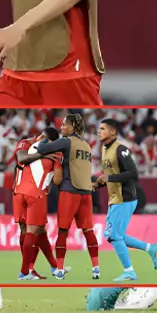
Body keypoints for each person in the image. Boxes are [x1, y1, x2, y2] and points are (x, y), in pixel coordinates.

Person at [20, 113, 100, 280]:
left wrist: (44, 138)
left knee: (63, 231)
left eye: (64, 125)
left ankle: (60, 269)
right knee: (88, 230)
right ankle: (96, 268)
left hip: (70, 191)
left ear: (71, 126)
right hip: (86, 193)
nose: (61, 127)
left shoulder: (65, 141)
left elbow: (42, 149)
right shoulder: (86, 145)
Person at [94, 118, 157, 282]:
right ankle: (150, 248)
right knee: (114, 235)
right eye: (99, 128)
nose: (99, 131)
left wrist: (110, 178)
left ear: (112, 132)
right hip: (115, 198)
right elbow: (111, 176)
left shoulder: (121, 149)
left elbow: (133, 173)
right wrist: (98, 184)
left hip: (125, 197)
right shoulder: (104, 149)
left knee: (113, 236)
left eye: (103, 129)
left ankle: (129, 271)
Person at [13, 128, 63, 280]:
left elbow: (21, 159)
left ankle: (54, 267)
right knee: (31, 230)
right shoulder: (53, 153)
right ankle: (25, 272)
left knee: (37, 231)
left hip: (18, 191)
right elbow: (57, 181)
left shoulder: (26, 144)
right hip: (36, 193)